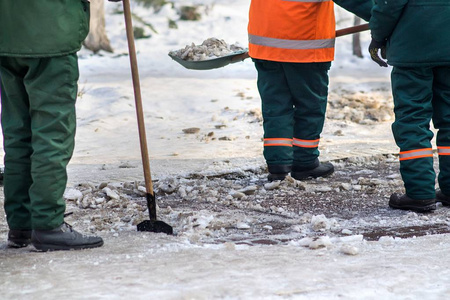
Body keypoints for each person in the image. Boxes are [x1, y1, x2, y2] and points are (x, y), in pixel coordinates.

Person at [0, 0, 103, 250]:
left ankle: (21, 224)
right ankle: (47, 224)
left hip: (6, 35)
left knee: (17, 134)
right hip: (50, 32)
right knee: (52, 134)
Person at [248, 0, 373, 182]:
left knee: (275, 106)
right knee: (309, 106)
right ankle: (304, 162)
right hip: (303, 42)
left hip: (264, 41)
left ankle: (278, 165)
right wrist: (385, 15)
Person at [369, 0, 450, 213]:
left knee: (413, 119)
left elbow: (389, 4)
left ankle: (419, 193)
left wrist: (377, 36)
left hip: (413, 47)